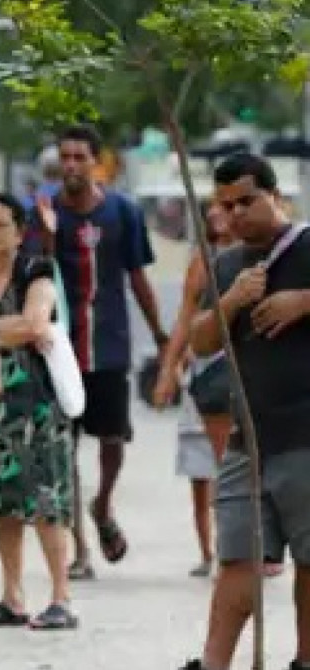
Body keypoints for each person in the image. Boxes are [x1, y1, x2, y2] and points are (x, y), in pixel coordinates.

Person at [182, 153, 310, 670]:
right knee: (237, 556)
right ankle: (214, 663)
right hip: (247, 437)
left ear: (275, 195)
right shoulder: (228, 264)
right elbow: (201, 339)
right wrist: (232, 300)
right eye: (225, 206)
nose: (234, 215)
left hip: (306, 435)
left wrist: (304, 301)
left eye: (245, 201)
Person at [32, 125, 167, 579]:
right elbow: (36, 271)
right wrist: (47, 236)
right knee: (62, 447)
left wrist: (163, 338)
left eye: (78, 157)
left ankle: (103, 503)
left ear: (95, 161)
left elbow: (139, 278)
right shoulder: (47, 210)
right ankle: (80, 550)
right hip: (60, 345)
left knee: (112, 438)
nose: (70, 165)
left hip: (109, 341)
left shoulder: (123, 212)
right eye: (64, 157)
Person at [0, 193, 77, 631]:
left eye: (0, 225)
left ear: (19, 230)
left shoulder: (38, 272)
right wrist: (5, 332)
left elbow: (32, 324)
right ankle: (12, 597)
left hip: (37, 407)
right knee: (3, 501)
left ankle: (61, 596)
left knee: (47, 499)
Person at [153, 202, 238, 579]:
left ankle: (239, 546)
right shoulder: (202, 262)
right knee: (199, 468)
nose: (220, 217)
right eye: (215, 211)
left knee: (234, 464)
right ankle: (209, 550)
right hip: (202, 368)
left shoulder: (258, 257)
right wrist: (168, 371)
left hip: (242, 370)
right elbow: (184, 319)